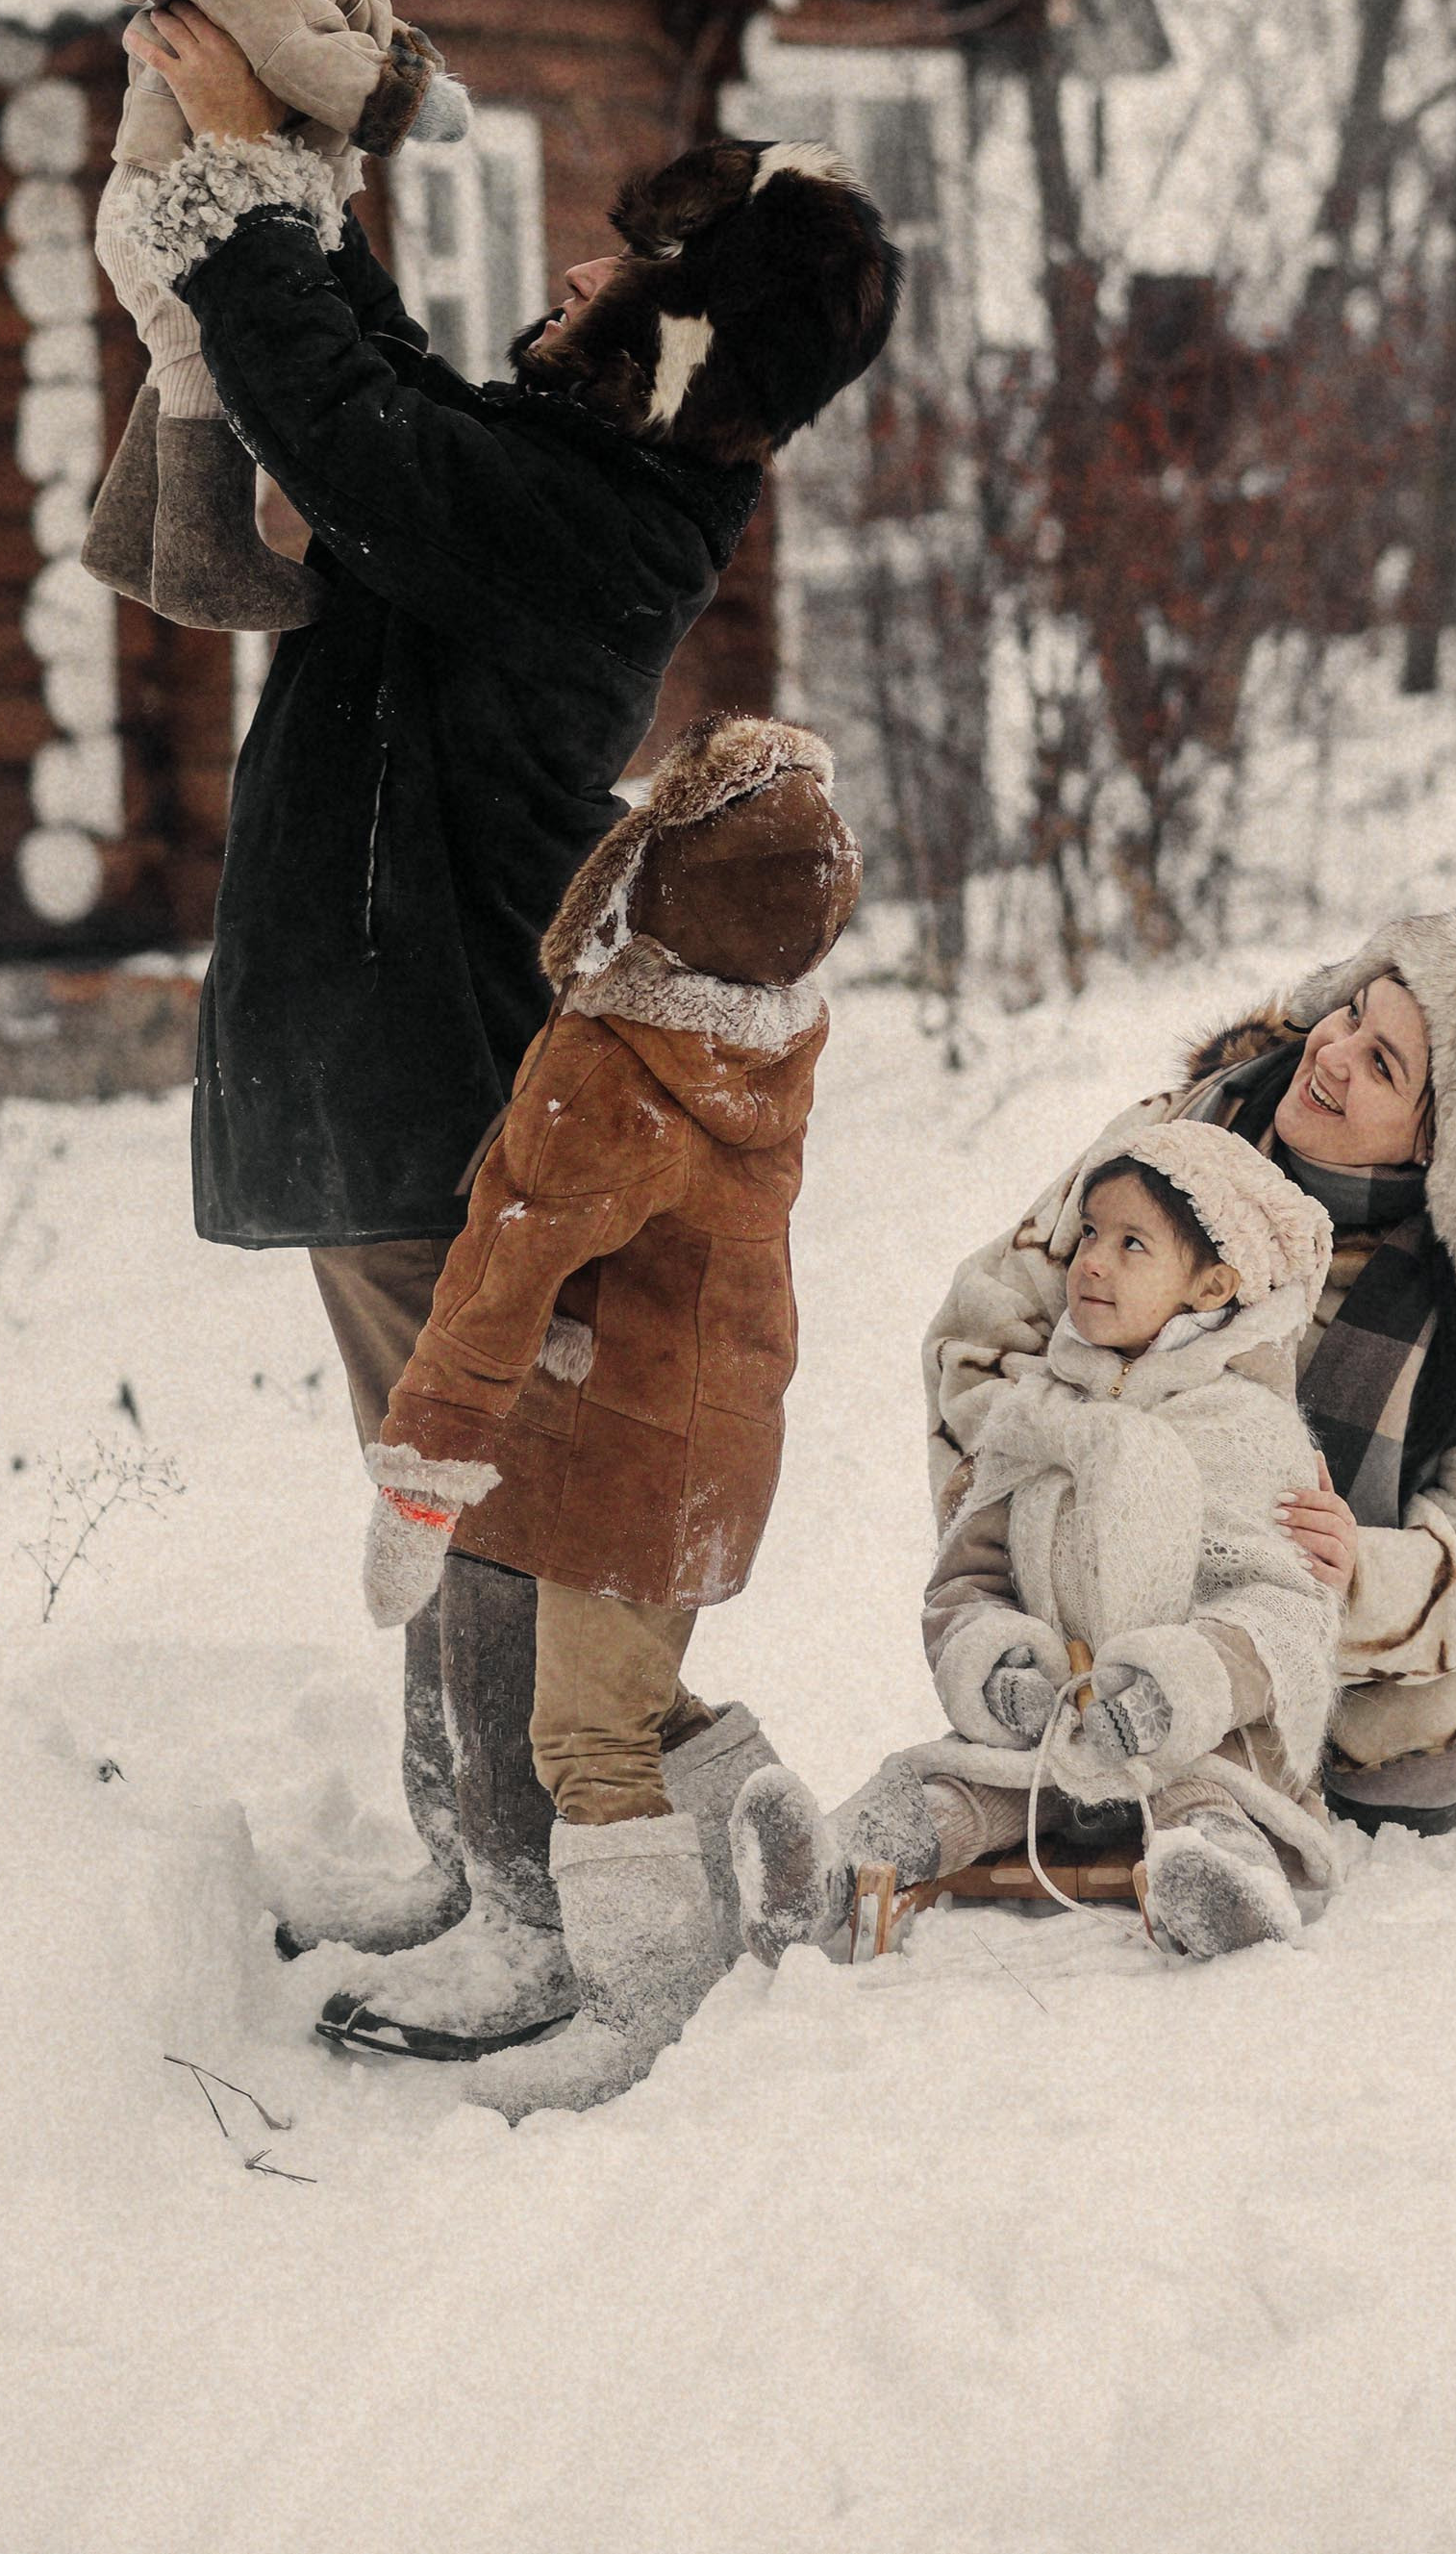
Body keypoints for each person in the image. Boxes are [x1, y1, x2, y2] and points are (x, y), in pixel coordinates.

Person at [108, 0, 900, 1971]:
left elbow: (344, 427)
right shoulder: (561, 467)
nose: (571, 272)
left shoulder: (586, 521)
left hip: (438, 1053)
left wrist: (241, 189)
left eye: (628, 266)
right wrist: (294, 175)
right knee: (451, 1479)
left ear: (681, 332)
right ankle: (505, 1866)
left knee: (480, 1497)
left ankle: (534, 1909)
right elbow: (377, 380)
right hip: (385, 1039)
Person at [339, 711, 863, 2103]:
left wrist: (420, 1477)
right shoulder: (767, 1037)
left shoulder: (614, 1063)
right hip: (715, 1439)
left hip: (623, 1452)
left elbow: (498, 1275)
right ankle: (776, 1855)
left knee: (584, 1736)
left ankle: (638, 2002)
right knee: (636, 1694)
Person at [920, 902, 1456, 1834]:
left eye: (1383, 1065)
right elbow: (983, 1328)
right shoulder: (1181, 1143)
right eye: (1353, 1012)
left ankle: (1233, 1740)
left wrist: (1356, 1569)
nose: (1332, 1053)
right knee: (1041, 1673)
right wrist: (1034, 1495)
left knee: (1399, 1761)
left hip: (1337, 1648)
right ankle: (1082, 1705)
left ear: (1444, 1142)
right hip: (1101, 1584)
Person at [733, 1121, 1346, 1972]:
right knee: (950, 1789)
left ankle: (1225, 1889)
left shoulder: (1247, 1428)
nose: (1091, 1261)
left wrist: (1173, 1691)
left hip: (1194, 1737)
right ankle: (820, 1874)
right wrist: (1002, 1670)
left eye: (1132, 1244)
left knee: (1207, 1800)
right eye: (1089, 1232)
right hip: (1051, 1725)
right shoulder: (1037, 1414)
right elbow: (967, 1577)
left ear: (1212, 1284)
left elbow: (1282, 1609)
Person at [81, 0, 472, 630]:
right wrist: (414, 104)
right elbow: (309, 61)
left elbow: (369, 27)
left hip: (199, 197)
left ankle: (130, 535)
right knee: (206, 361)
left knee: (179, 355)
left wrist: (408, 57)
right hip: (175, 207)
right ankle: (202, 556)